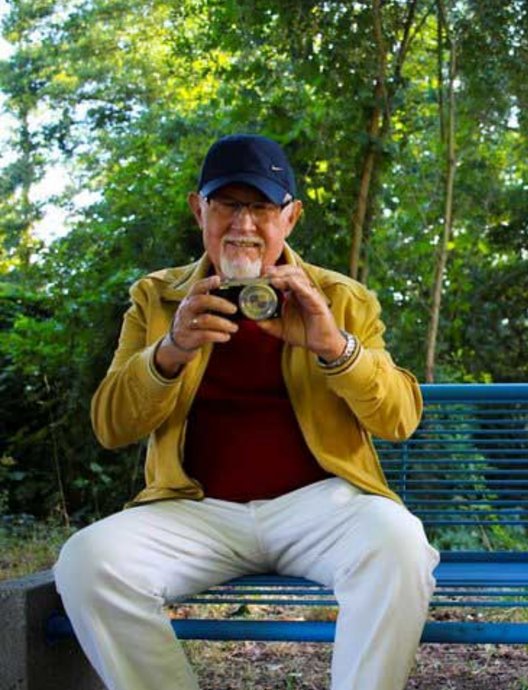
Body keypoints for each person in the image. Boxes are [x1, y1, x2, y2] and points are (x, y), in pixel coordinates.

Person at [54, 134, 439, 690]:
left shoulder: (340, 297)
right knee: (87, 561)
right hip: (196, 510)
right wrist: (170, 352)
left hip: (321, 506)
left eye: (261, 206)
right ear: (199, 210)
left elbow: (399, 419)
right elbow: (111, 425)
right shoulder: (158, 298)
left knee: (399, 544)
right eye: (228, 204)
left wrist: (335, 346)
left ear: (291, 217)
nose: (244, 225)